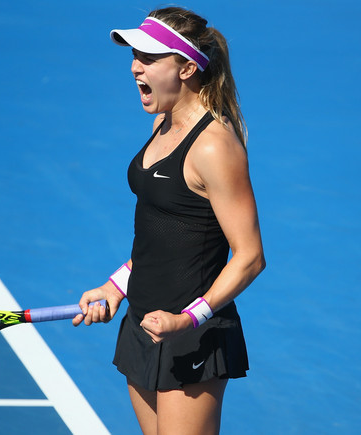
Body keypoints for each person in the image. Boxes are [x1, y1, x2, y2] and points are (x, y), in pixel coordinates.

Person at [72, 7, 266, 435]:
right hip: (143, 322)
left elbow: (250, 257)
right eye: (134, 55)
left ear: (187, 68)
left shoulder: (214, 147)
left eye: (149, 56)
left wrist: (188, 319)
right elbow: (164, 234)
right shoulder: (163, 123)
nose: (134, 66)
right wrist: (117, 285)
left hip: (192, 331)